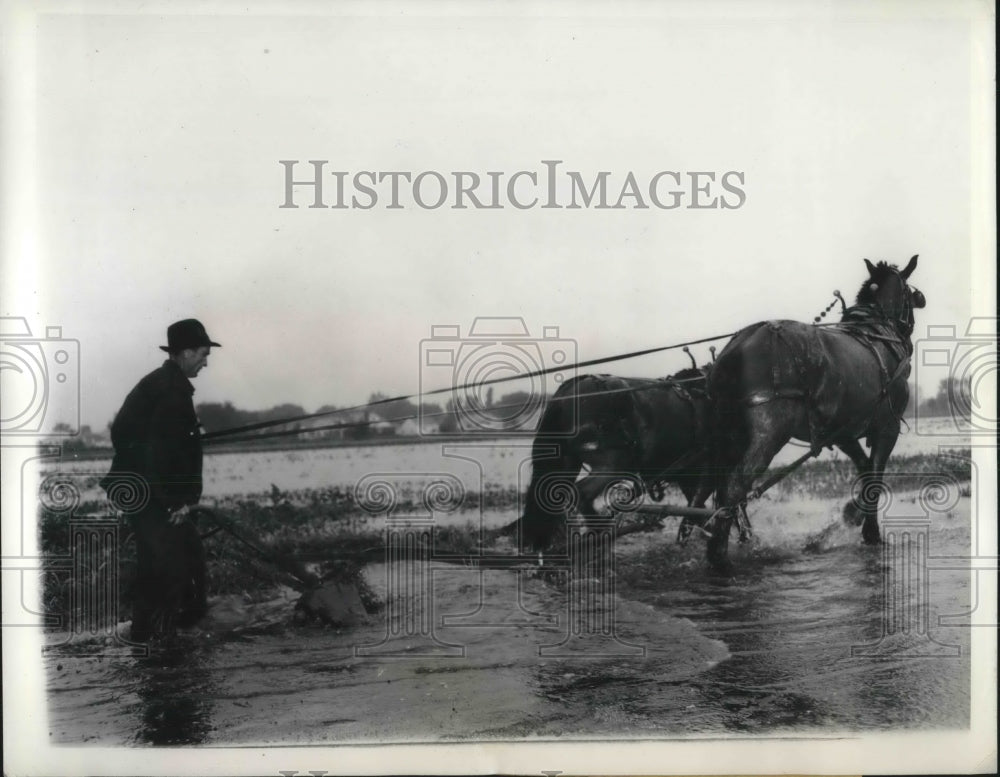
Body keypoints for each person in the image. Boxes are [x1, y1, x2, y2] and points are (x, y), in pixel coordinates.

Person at [101, 319, 221, 641]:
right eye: (203, 354)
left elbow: (159, 443)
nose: (206, 362)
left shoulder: (167, 384)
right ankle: (156, 643)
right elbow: (151, 453)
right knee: (167, 565)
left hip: (147, 489)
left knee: (188, 554)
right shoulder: (169, 391)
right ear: (184, 353)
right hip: (149, 493)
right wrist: (174, 503)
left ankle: (179, 630)